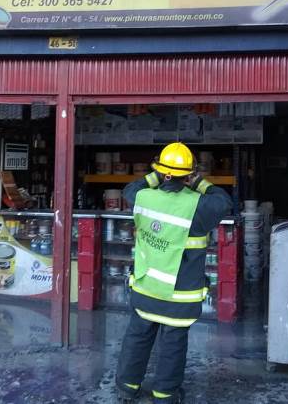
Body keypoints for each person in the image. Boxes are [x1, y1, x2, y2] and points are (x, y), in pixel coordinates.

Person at [116, 142, 232, 403]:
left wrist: (157, 175)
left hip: (146, 289)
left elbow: (130, 188)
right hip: (179, 297)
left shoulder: (143, 197)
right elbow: (224, 202)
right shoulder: (199, 206)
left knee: (137, 338)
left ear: (162, 173)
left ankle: (126, 387)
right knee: (172, 346)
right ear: (188, 174)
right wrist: (199, 182)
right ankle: (165, 394)